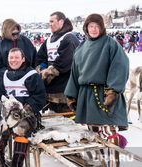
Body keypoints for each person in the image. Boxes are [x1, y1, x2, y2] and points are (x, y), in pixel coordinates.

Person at [64, 14, 129, 166]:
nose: (94, 29)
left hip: (104, 94)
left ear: (102, 28)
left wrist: (113, 90)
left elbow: (120, 65)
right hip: (87, 96)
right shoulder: (81, 48)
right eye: (91, 26)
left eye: (97, 26)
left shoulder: (110, 44)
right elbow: (74, 73)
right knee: (94, 134)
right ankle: (103, 163)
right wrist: (72, 96)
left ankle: (113, 164)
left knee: (109, 133)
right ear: (86, 28)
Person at [0, 48, 46, 167]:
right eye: (11, 58)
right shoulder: (3, 75)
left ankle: (17, 163)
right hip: (7, 114)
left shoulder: (32, 75)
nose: (13, 60)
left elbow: (39, 96)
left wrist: (27, 108)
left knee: (22, 132)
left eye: (16, 58)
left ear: (23, 59)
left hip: (25, 115)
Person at [35, 11, 80, 113]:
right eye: (49, 22)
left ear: (61, 22)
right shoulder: (49, 40)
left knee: (67, 119)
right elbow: (40, 57)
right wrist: (42, 69)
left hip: (65, 88)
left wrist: (50, 72)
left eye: (52, 21)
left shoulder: (69, 38)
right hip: (49, 88)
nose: (50, 24)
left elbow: (66, 61)